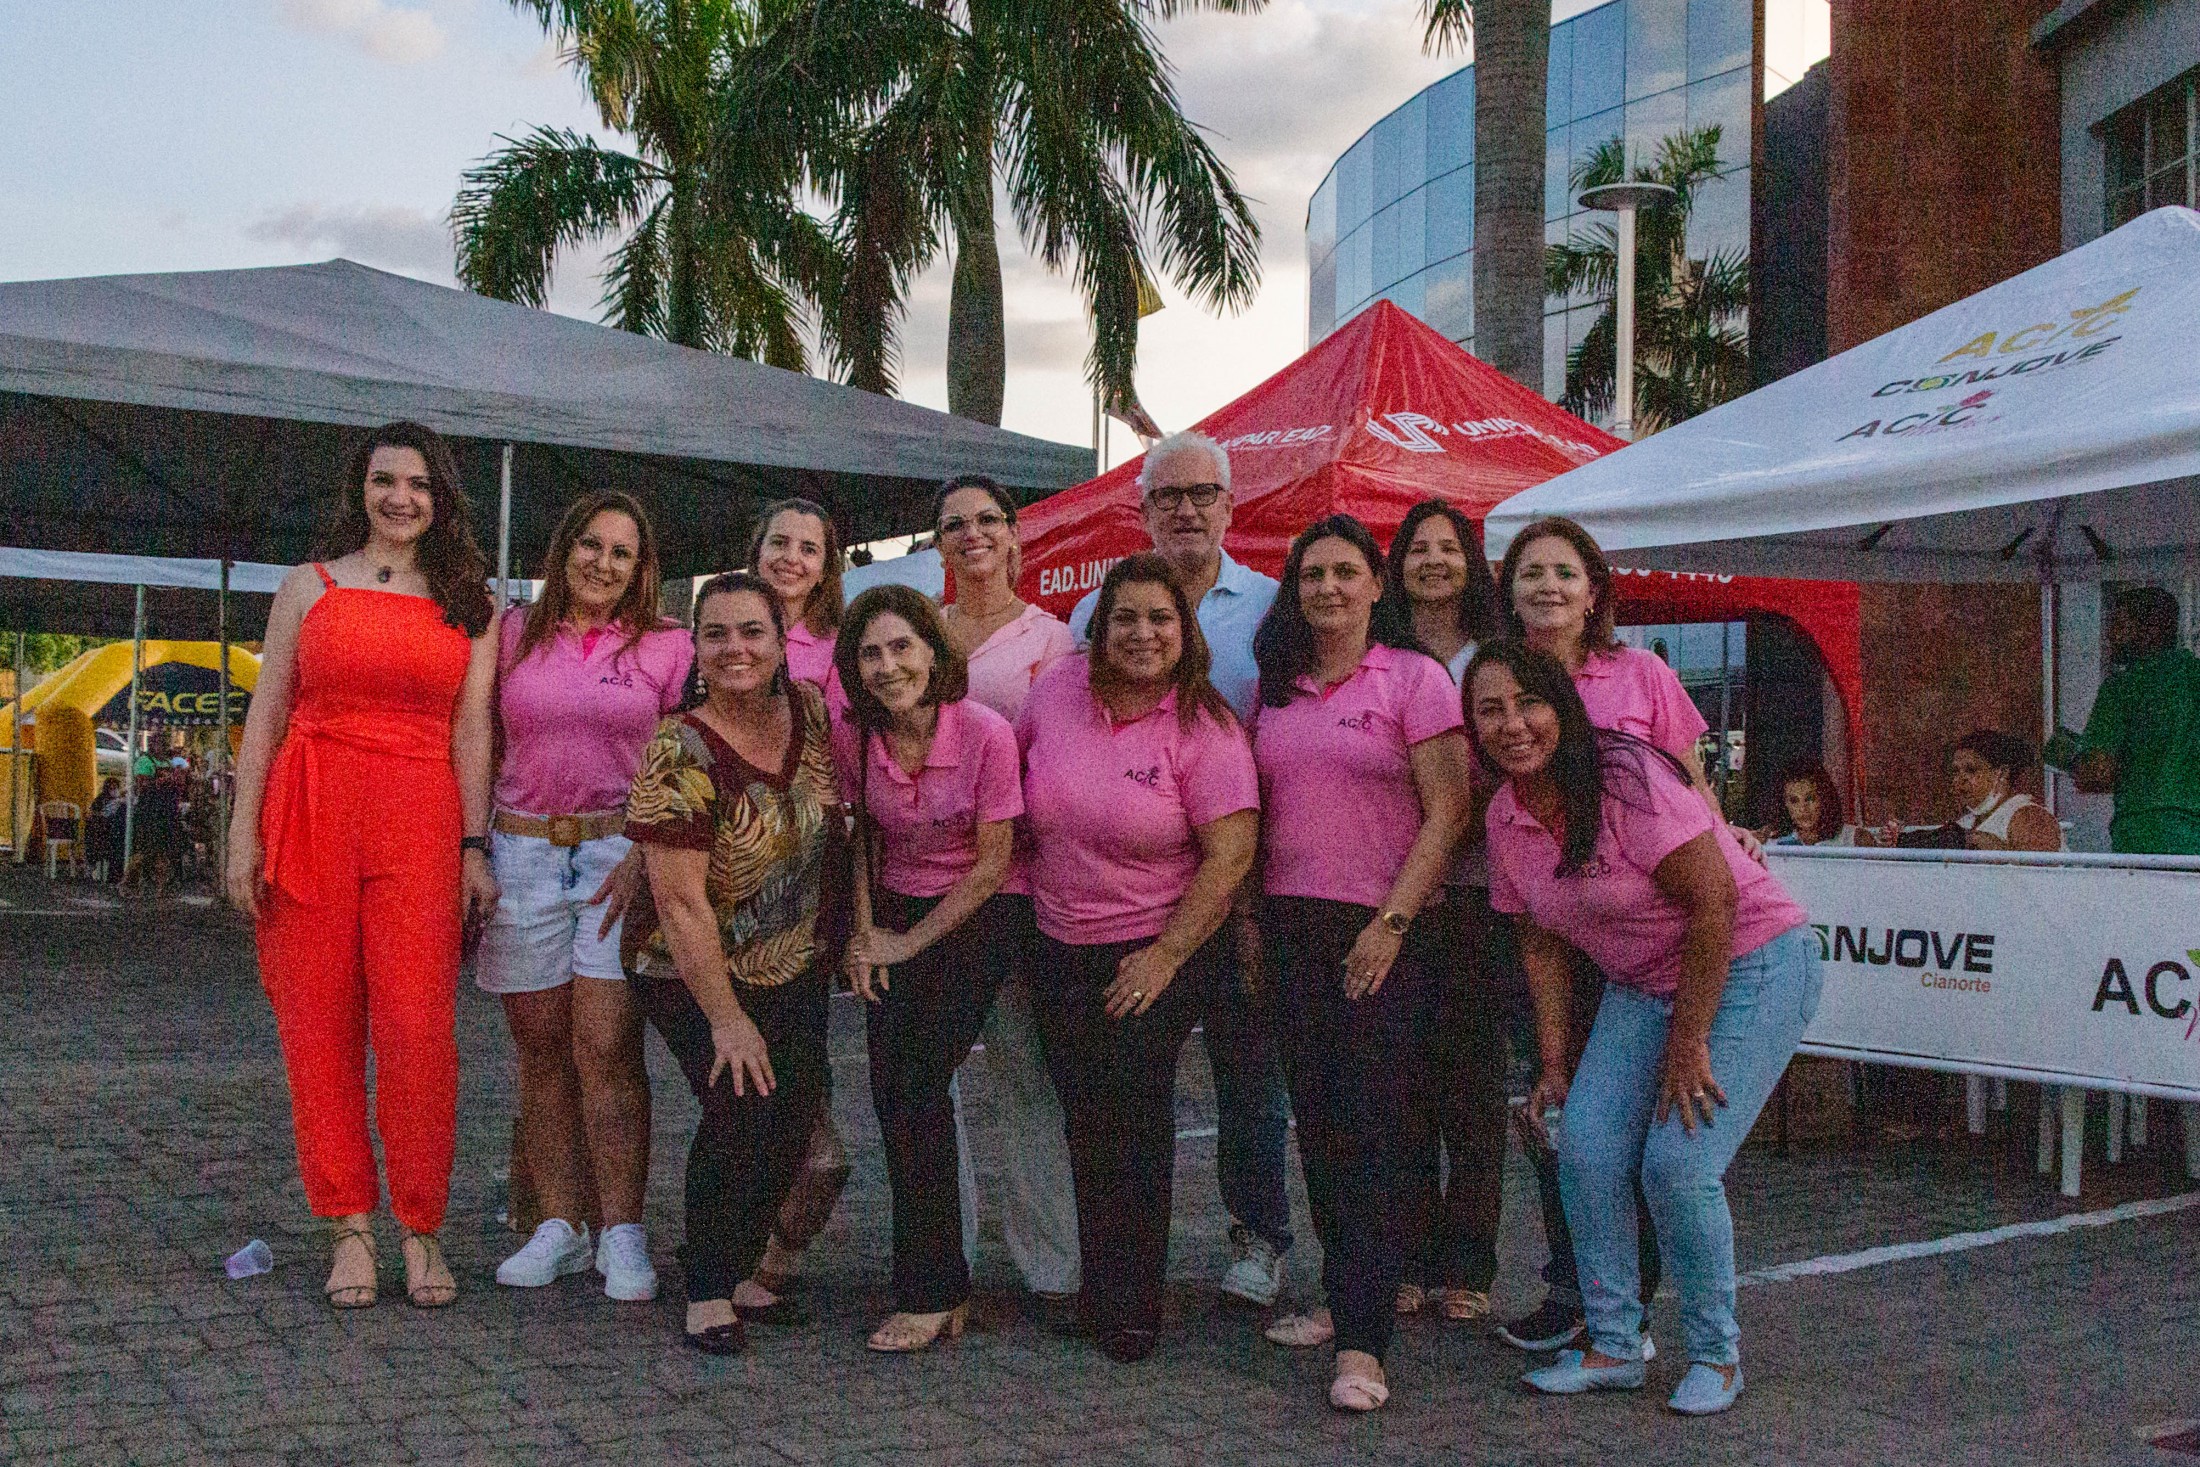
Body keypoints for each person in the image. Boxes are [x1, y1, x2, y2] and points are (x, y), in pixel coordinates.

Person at [1468, 642, 1820, 1416]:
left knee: (1676, 1164)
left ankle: (1716, 1355)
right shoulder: (1506, 816)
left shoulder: (1624, 776)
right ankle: (1614, 1344)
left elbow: (1716, 900)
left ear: (1562, 707)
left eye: (1529, 702)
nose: (1512, 724)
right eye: (1490, 710)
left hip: (1753, 961)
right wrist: (1554, 1063)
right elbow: (1540, 941)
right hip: (1645, 983)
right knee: (1585, 1148)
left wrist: (1688, 1044)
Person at [226, 421, 499, 1311]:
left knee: (418, 1028)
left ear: (440, 498)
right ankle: (349, 1225)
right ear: (361, 488)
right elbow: (267, 714)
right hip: (311, 807)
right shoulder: (308, 585)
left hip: (420, 815)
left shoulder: (471, 602)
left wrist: (474, 845)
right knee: (318, 1024)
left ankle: (421, 1226)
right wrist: (241, 833)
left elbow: (473, 730)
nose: (400, 498)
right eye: (385, 481)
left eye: (418, 484)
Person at [1493, 514, 1741, 1354]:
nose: (1548, 586)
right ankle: (1579, 1290)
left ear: (1593, 590)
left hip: (1654, 926)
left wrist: (1725, 846)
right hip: (1561, 920)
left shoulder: (1641, 673)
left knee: (1655, 1139)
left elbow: (1690, 783)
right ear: (1509, 591)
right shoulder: (1496, 683)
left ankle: (1638, 1297)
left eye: (1565, 572)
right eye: (1531, 572)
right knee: (1571, 1121)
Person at [1066, 430, 1294, 1310]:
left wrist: (1250, 903)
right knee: (1131, 1088)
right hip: (1134, 886)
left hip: (1249, 872)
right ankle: (1120, 1261)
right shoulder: (1097, 613)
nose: (1187, 509)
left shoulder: (1273, 608)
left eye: (1203, 494)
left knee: (1248, 1070)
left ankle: (1259, 1234)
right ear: (1144, 510)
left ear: (1230, 506)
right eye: (1168, 496)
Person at [1249, 516, 1472, 1412]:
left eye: (1346, 572)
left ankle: (1364, 1342)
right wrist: (1251, 926)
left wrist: (1391, 922)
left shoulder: (1414, 678)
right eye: (1313, 575)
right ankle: (1349, 1291)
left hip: (1385, 929)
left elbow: (1449, 810)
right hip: (1292, 926)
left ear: (1378, 585)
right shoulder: (1276, 688)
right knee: (1320, 1126)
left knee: (1373, 1129)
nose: (1329, 588)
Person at [1021, 554, 1259, 1363]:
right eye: (1125, 617)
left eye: (1160, 618)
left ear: (1184, 631)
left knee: (1132, 1114)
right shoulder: (1057, 691)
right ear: (1099, 627)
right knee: (1086, 1115)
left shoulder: (1205, 725)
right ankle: (1099, 1280)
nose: (1142, 633)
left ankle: (1132, 1304)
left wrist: (1165, 956)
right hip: (1058, 939)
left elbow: (1230, 856)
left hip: (1161, 940)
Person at [620, 571, 842, 1354]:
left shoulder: (811, 711)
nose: (735, 648)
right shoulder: (678, 745)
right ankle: (710, 1285)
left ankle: (744, 1264)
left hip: (793, 955)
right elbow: (680, 904)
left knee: (794, 1110)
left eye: (752, 631)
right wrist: (726, 1018)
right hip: (688, 965)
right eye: (716, 633)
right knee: (741, 1105)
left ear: (782, 641)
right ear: (696, 646)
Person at [481, 490, 691, 1304]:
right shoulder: (509, 634)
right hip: (523, 848)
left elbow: (681, 757)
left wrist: (647, 847)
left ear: (641, 568)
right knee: (540, 1046)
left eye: (621, 552)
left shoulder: (668, 645)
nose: (602, 563)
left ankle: (622, 1229)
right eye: (590, 544)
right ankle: (560, 1223)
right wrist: (471, 846)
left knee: (606, 1043)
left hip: (616, 852)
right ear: (564, 546)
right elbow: (480, 737)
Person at [835, 585, 1022, 1351]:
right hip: (895, 907)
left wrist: (906, 945)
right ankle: (940, 1279)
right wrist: (864, 932)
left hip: (981, 909)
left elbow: (994, 863)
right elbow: (859, 838)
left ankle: (932, 1288)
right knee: (893, 1093)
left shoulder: (985, 732)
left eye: (901, 647)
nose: (887, 666)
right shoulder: (855, 736)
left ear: (933, 652)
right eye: (870, 653)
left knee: (917, 1082)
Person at [933, 474, 1084, 1313]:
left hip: (1019, 882)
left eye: (989, 519)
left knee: (1028, 1073)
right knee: (932, 1081)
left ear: (1016, 535)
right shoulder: (918, 632)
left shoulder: (1054, 641)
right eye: (955, 524)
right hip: (923, 881)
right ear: (939, 543)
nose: (974, 534)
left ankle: (1052, 1260)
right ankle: (941, 1250)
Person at [1384, 499, 1510, 1324]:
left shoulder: (1494, 657)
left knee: (1470, 1082)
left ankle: (1466, 1258)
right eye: (1418, 548)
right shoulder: (1379, 654)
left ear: (1472, 563)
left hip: (1474, 893)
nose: (1434, 560)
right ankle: (1405, 1253)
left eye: (1449, 547)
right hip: (1389, 889)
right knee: (1399, 1083)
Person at [741, 497, 856, 1297]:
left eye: (807, 548)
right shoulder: (721, 634)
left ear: (826, 565)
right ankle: (747, 1235)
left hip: (815, 872)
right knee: (743, 1062)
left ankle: (780, 1238)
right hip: (732, 872)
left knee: (798, 1048)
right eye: (778, 542)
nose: (790, 557)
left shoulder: (843, 648)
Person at [2075, 587, 2200, 855]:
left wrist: (2076, 764)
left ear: (2152, 629)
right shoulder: (2194, 677)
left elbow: (2100, 771)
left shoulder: (2122, 687)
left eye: (2120, 625)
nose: (2111, 636)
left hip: (2143, 831)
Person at [1874, 731, 2063, 852]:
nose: (1960, 779)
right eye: (1956, 772)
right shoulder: (1968, 821)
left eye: (1971, 770)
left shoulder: (2028, 816)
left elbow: (2041, 878)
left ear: (2002, 774)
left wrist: (1997, 849)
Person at [1764, 761, 1855, 847]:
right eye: (1794, 801)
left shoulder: (1853, 838)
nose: (1803, 809)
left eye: (1810, 799)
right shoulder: (1772, 842)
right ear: (1785, 804)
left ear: (1824, 799)